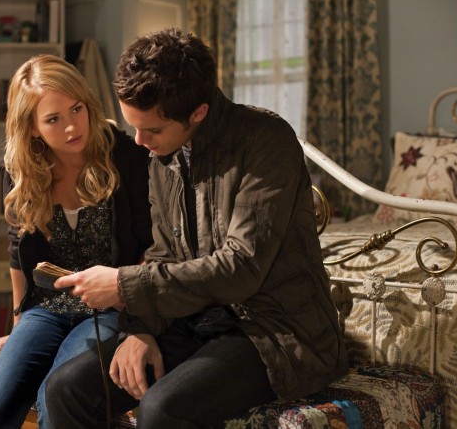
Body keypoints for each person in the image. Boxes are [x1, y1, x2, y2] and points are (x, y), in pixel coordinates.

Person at [45, 28, 348, 428]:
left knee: (161, 408)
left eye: (152, 130)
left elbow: (241, 267)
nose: (139, 141)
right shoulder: (162, 154)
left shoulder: (266, 140)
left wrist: (122, 285)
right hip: (195, 318)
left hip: (275, 329)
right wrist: (142, 329)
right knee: (66, 388)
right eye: (134, 126)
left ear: (199, 112)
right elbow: (163, 252)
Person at [0, 54, 153, 429]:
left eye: (76, 109)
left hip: (108, 310)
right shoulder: (22, 171)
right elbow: (17, 258)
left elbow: (153, 245)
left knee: (53, 399)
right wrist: (17, 331)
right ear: (32, 128)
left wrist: (140, 320)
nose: (72, 126)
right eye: (53, 119)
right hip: (45, 309)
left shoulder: (128, 157)